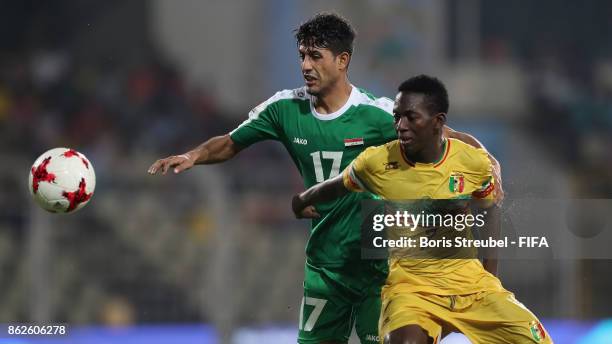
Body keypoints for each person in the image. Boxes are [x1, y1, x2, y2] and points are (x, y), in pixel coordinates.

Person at [148, 13, 500, 344]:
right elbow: (229, 143)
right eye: (302, 55)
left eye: (315, 56)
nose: (305, 66)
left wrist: (486, 159)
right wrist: (192, 156)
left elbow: (445, 136)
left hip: (378, 270)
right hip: (325, 268)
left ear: (342, 60)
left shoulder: (376, 115)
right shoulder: (285, 109)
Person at [291, 74, 552, 344]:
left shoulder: (472, 162)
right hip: (411, 291)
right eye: (397, 117)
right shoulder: (378, 162)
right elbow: (335, 186)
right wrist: (301, 200)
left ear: (437, 122)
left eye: (411, 117)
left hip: (473, 287)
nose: (400, 126)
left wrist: (490, 277)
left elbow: (489, 211)